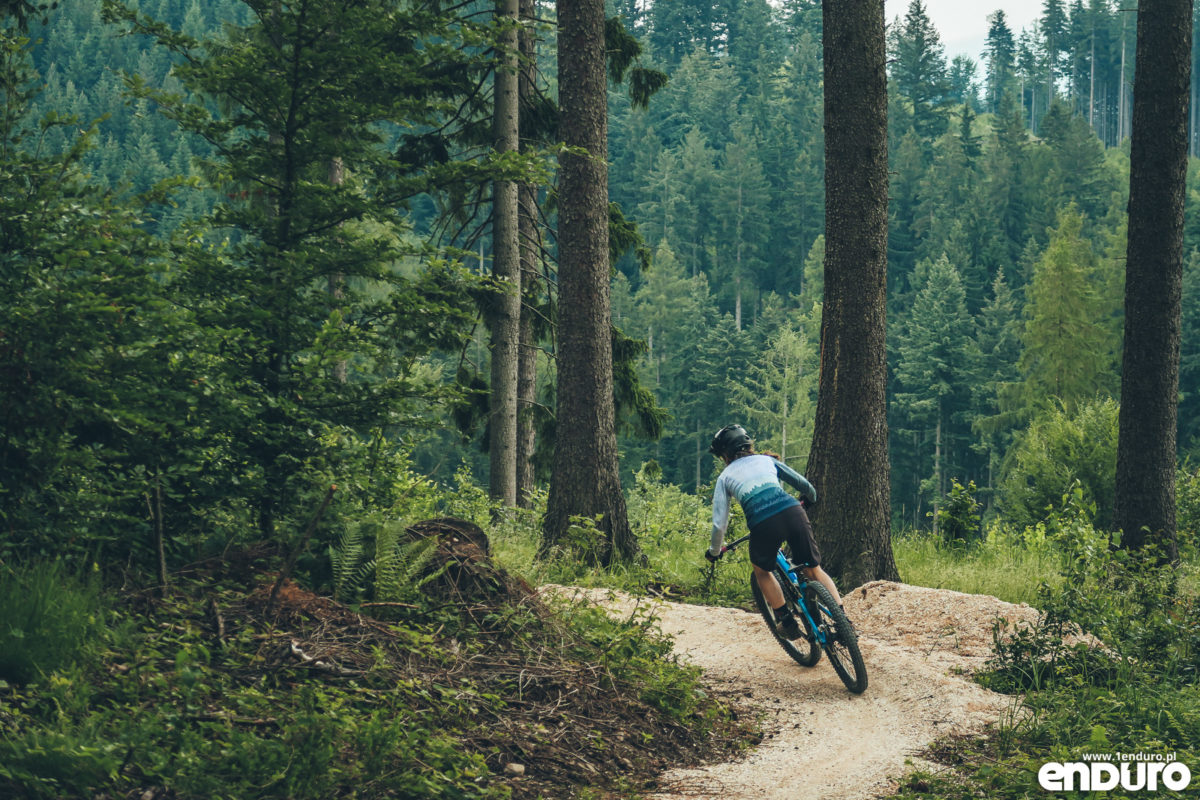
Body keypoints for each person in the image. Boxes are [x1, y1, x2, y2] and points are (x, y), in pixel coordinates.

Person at [704, 424, 844, 641]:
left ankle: (786, 621)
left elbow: (719, 524)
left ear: (725, 454)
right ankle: (844, 624)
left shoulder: (725, 477)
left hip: (763, 523)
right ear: (748, 444)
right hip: (793, 512)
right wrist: (808, 501)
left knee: (761, 571)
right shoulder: (767, 460)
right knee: (814, 569)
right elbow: (807, 486)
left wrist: (714, 551)